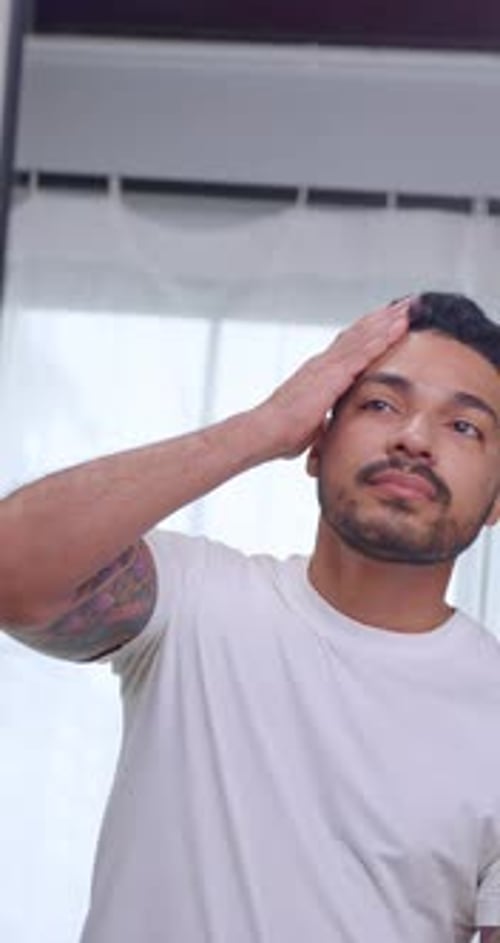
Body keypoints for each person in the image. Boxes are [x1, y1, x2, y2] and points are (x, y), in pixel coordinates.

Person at [2, 292, 500, 943]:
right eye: (381, 404)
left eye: (464, 425)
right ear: (317, 445)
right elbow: (12, 570)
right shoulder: (195, 598)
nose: (413, 438)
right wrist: (263, 426)